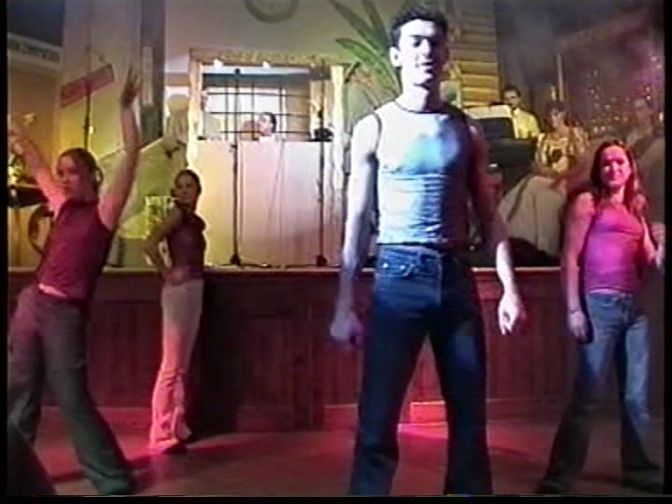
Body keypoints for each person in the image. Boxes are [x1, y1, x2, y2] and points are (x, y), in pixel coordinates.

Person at [329, 7, 526, 496]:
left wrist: (510, 289)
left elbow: (490, 216)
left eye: (434, 42)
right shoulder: (374, 127)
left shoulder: (467, 130)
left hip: (455, 277)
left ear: (446, 55)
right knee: (378, 416)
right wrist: (343, 304)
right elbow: (357, 221)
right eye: (415, 42)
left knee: (469, 417)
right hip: (398, 278)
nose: (426, 51)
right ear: (396, 55)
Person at [7, 69, 141, 495]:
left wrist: (125, 109)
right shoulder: (62, 207)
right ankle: (14, 471)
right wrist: (16, 132)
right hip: (33, 302)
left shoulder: (103, 212)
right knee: (19, 389)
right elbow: (36, 164)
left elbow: (131, 158)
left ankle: (112, 478)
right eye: (61, 172)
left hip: (65, 312)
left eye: (72, 172)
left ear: (92, 175)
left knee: (72, 399)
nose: (63, 178)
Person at [536, 140, 664, 495]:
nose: (613, 168)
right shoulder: (587, 202)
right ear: (598, 169)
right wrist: (574, 309)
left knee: (636, 398)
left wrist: (661, 241)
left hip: (635, 310)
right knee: (587, 396)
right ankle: (560, 477)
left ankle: (640, 471)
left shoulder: (637, 207)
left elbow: (651, 263)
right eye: (606, 163)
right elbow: (570, 257)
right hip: (599, 306)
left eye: (619, 162)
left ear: (630, 167)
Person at [145, 169, 207, 455]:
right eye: (180, 186)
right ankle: (159, 431)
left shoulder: (193, 220)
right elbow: (150, 243)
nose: (184, 191)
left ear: (198, 190)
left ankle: (176, 423)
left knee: (182, 363)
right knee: (171, 364)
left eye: (189, 186)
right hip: (179, 290)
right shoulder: (176, 215)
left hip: (195, 286)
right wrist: (166, 272)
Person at [498, 100, 589, 260]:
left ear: (563, 115)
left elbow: (582, 163)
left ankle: (536, 243)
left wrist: (560, 178)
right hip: (545, 178)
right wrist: (546, 172)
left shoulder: (574, 135)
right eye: (549, 115)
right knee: (528, 184)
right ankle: (511, 233)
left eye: (556, 114)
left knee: (533, 187)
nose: (552, 119)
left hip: (566, 181)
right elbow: (537, 164)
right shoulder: (544, 138)